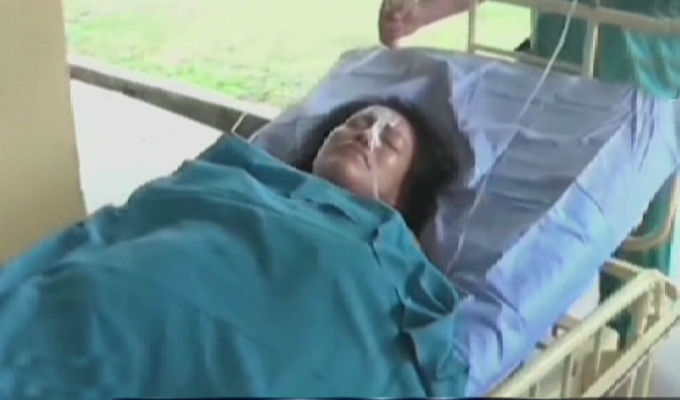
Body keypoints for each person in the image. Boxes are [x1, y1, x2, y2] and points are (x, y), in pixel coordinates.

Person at [0, 98, 466, 399]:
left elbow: (430, 361)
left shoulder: (392, 258)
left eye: (389, 143)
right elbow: (137, 220)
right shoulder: (232, 176)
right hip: (77, 319)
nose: (366, 135)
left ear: (402, 196)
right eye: (355, 123)